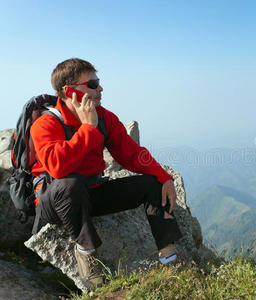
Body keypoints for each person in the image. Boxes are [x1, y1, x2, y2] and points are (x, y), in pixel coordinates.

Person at [30, 58, 182, 288]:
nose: (100, 88)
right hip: (56, 201)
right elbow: (57, 167)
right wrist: (88, 129)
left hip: (91, 193)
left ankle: (169, 259)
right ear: (69, 91)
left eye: (98, 82)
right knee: (71, 183)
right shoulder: (45, 124)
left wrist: (164, 177)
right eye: (92, 84)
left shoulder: (104, 117)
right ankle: (86, 254)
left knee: (152, 184)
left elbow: (132, 154)